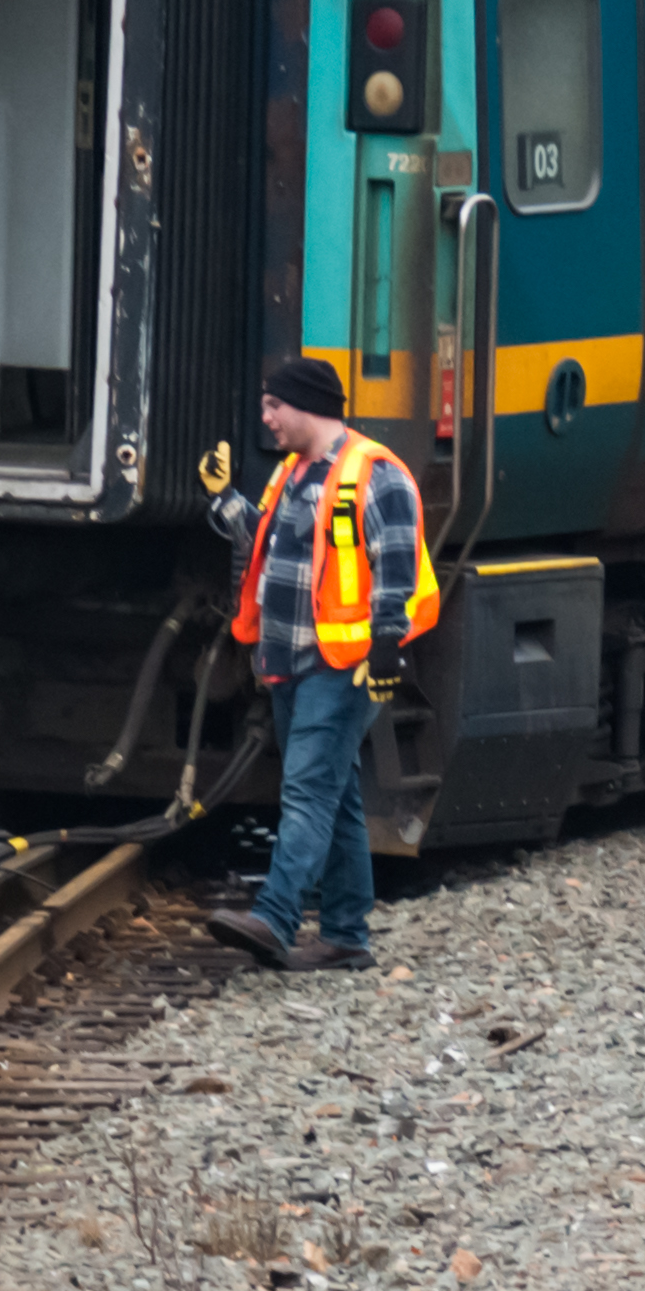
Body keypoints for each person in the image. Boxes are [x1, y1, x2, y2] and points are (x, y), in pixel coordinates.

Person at [206, 358, 434, 974]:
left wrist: (387, 649)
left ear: (305, 405)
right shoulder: (291, 474)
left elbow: (397, 569)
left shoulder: (374, 474)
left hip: (346, 665)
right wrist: (223, 500)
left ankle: (276, 919)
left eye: (273, 406)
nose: (266, 417)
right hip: (290, 663)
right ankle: (345, 936)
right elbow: (264, 545)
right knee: (334, 797)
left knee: (307, 791)